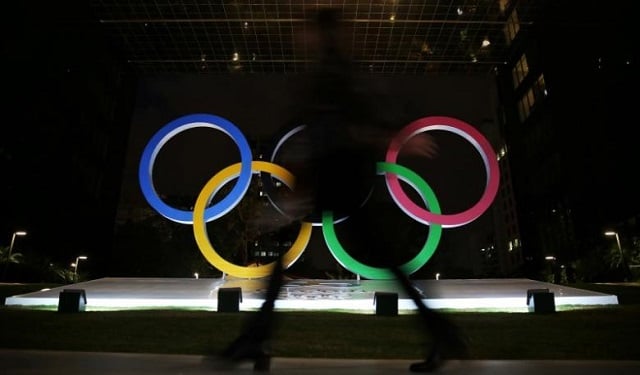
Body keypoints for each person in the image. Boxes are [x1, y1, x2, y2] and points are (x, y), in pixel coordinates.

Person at [220, 7, 467, 372]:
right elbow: (328, 128)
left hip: (341, 173)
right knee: (378, 258)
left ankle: (254, 341)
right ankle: (442, 334)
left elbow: (348, 126)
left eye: (306, 31)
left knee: (376, 256)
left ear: (322, 35)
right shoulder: (328, 72)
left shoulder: (333, 73)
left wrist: (394, 139)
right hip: (335, 172)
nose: (299, 38)